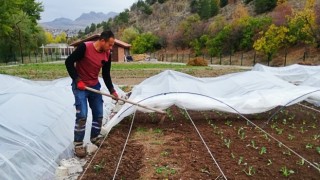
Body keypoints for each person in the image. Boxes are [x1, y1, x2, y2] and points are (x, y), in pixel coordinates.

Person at [65, 30, 119, 158]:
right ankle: (78, 144)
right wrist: (77, 80)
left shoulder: (107, 54)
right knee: (82, 115)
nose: (111, 48)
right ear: (102, 41)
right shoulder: (85, 48)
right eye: (109, 45)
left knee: (99, 114)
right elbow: (68, 62)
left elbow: (106, 74)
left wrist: (112, 90)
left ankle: (94, 137)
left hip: (94, 85)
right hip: (80, 86)